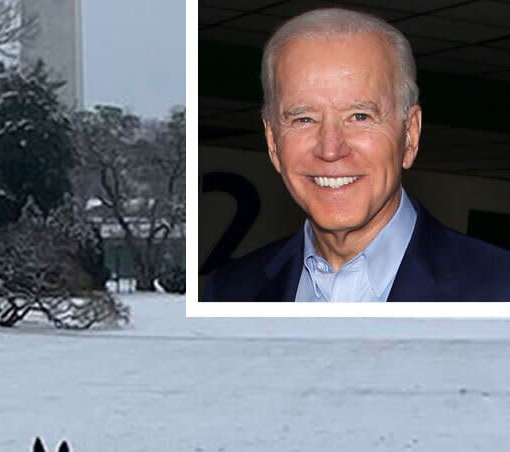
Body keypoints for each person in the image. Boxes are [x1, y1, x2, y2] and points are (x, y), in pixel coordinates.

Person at [202, 7, 510, 302]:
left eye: (360, 116)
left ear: (410, 135)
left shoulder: (499, 287)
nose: (331, 148)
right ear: (272, 142)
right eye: (304, 119)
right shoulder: (230, 291)